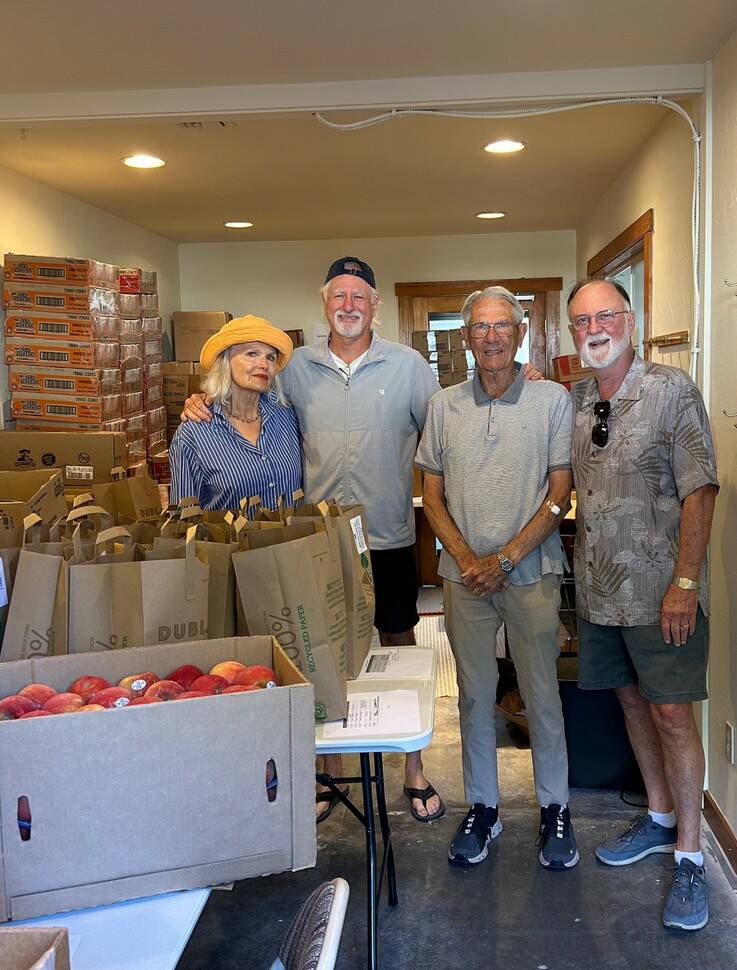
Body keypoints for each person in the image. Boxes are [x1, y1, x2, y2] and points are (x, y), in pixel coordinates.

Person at [184, 256, 446, 824]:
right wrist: (200, 401)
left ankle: (414, 767)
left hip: (389, 537)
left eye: (360, 296)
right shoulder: (294, 368)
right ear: (323, 303)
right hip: (317, 542)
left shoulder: (409, 367)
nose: (348, 305)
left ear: (376, 306)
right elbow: (244, 405)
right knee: (315, 649)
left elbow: (445, 436)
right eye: (338, 296)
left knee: (398, 645)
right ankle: (324, 770)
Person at [567, 278, 718, 930]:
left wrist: (684, 584)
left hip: (662, 593)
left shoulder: (670, 390)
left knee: (672, 715)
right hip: (599, 592)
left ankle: (689, 854)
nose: (594, 327)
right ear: (571, 333)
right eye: (581, 320)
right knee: (629, 700)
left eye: (605, 315)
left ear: (630, 319)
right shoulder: (574, 397)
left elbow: (700, 490)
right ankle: (657, 818)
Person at [416, 286, 578, 868]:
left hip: (531, 572)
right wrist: (467, 561)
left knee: (542, 696)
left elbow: (561, 494)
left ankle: (554, 809)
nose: (490, 337)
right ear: (465, 339)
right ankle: (483, 808)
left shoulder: (552, 401)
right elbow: (430, 497)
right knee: (474, 696)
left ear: (520, 332)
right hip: (464, 580)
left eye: (500, 326)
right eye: (479, 328)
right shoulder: (443, 407)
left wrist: (505, 559)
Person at [169, 316, 300, 511]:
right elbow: (184, 518)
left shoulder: (286, 417)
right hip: (232, 541)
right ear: (225, 361)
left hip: (295, 541)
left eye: (270, 357)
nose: (264, 364)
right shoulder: (194, 432)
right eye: (252, 353)